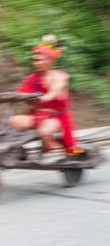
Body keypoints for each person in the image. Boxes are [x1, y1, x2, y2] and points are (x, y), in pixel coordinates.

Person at [9, 34, 84, 162]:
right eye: (35, 60)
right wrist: (10, 97)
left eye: (39, 60)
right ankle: (17, 150)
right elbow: (21, 93)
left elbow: (54, 92)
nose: (36, 63)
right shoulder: (33, 78)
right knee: (10, 122)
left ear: (50, 61)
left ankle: (51, 150)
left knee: (44, 131)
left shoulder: (61, 76)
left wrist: (43, 98)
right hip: (36, 116)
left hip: (56, 117)